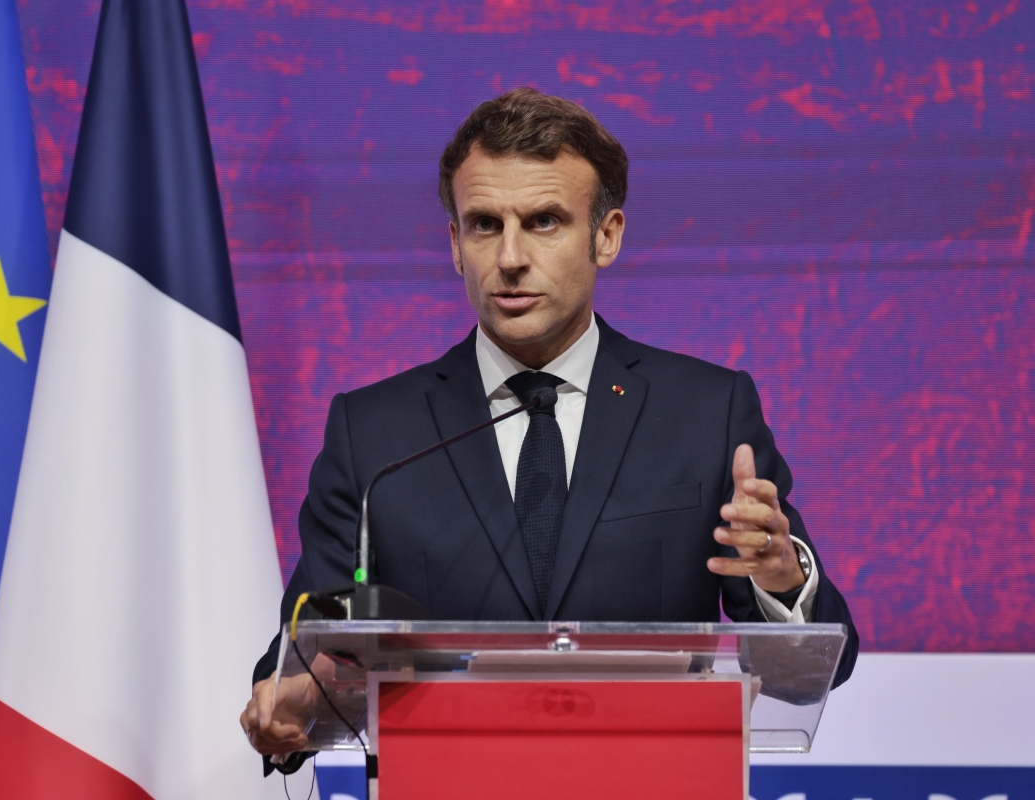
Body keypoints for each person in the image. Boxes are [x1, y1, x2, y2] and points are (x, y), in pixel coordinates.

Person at [240, 87, 858, 769]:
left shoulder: (705, 414)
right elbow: (299, 659)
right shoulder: (376, 435)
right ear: (455, 243)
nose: (509, 257)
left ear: (606, 235)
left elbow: (810, 672)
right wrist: (296, 696)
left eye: (542, 221)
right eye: (484, 224)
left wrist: (780, 580)